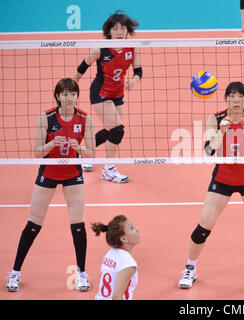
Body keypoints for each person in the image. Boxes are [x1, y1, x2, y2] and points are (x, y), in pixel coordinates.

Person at [178, 81, 244, 289]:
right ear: (226, 99)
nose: (236, 100)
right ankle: (190, 269)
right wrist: (221, 131)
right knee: (203, 228)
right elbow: (209, 151)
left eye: (240, 97)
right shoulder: (215, 118)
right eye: (232, 96)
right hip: (222, 179)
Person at [6, 78, 95, 292]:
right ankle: (15, 272)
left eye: (72, 93)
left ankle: (82, 273)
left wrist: (79, 149)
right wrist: (50, 144)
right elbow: (37, 152)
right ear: (57, 96)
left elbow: (91, 152)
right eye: (64, 94)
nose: (68, 98)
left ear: (76, 95)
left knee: (78, 225)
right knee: (33, 224)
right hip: (49, 172)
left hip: (73, 173)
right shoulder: (46, 117)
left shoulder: (85, 118)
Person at [73, 10, 142, 183]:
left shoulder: (133, 48)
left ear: (127, 31)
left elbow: (138, 70)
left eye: (123, 29)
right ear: (109, 31)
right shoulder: (100, 49)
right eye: (116, 29)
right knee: (118, 129)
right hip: (100, 93)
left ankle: (82, 154)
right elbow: (81, 69)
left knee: (113, 130)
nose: (119, 32)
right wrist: (69, 90)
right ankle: (109, 170)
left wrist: (134, 80)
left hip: (118, 93)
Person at [92, 215, 140, 300]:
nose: (137, 229)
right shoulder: (128, 263)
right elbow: (116, 296)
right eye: (132, 228)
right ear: (124, 238)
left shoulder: (110, 254)